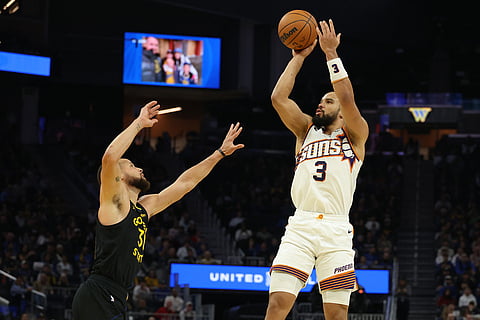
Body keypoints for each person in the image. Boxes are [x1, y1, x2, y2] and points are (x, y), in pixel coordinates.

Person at [71, 100, 244, 320]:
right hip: (99, 294)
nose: (140, 168)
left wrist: (219, 153)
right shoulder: (114, 204)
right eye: (132, 166)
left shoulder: (144, 207)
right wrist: (139, 123)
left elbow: (185, 184)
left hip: (118, 297)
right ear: (119, 176)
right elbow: (109, 157)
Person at [264, 19, 369, 320]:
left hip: (336, 229)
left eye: (327, 101)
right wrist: (298, 58)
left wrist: (330, 54)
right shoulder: (304, 130)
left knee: (336, 314)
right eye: (321, 100)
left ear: (341, 111)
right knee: (278, 303)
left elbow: (346, 97)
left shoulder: (356, 134)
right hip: (301, 225)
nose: (320, 105)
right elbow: (278, 98)